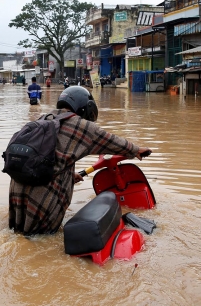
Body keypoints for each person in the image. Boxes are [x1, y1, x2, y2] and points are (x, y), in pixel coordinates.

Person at [9, 86, 152, 236]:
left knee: (17, 234)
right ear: (85, 107)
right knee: (40, 239)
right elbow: (110, 141)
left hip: (18, 185)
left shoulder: (46, 118)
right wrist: (136, 150)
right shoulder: (82, 125)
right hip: (43, 192)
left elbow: (50, 156)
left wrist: (70, 176)